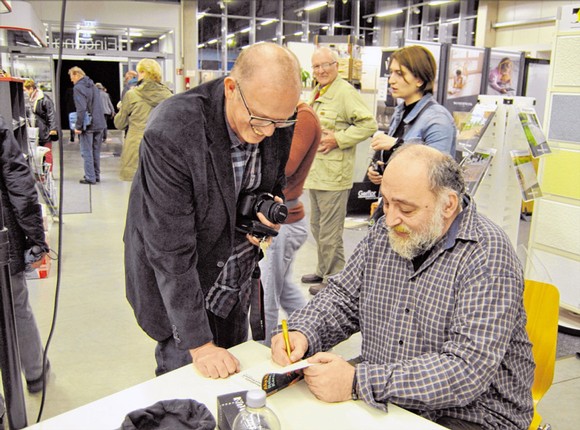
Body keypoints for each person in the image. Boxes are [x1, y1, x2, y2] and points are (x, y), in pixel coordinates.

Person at [271, 144, 535, 430]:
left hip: (473, 414)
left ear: (448, 205)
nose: (391, 218)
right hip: (390, 395)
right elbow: (343, 299)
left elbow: (466, 370)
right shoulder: (385, 233)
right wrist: (304, 332)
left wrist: (358, 381)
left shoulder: (487, 255)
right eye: (385, 202)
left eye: (405, 208)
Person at [124, 42, 302, 379]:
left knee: (233, 382)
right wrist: (200, 344)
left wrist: (264, 210)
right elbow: (170, 249)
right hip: (182, 286)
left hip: (234, 279)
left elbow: (272, 181)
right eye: (259, 119)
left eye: (278, 123)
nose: (267, 132)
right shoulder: (173, 131)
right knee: (188, 390)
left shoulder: (277, 116)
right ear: (232, 88)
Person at [301, 46, 378, 295]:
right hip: (317, 173)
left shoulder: (344, 92)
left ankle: (334, 278)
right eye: (316, 66)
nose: (321, 70)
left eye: (326, 65)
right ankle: (325, 270)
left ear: (336, 66)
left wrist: (339, 139)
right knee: (318, 227)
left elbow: (369, 124)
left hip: (334, 176)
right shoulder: (319, 91)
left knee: (330, 231)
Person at [366, 45, 457, 223]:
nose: (391, 80)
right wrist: (380, 171)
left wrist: (397, 145)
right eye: (391, 73)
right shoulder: (400, 112)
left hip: (418, 216)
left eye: (399, 74)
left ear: (420, 79)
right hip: (394, 207)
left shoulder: (438, 119)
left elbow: (439, 172)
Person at [0, 115, 51, 422]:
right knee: (17, 307)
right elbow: (18, 181)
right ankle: (34, 372)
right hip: (2, 238)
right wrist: (34, 236)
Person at [259, 102, 321, 346]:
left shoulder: (303, 117)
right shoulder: (291, 115)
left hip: (284, 223)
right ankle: (311, 332)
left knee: (267, 296)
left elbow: (287, 166)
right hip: (284, 220)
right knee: (283, 288)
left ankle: (263, 351)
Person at [114, 59, 172, 181]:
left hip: (136, 146)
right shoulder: (169, 97)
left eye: (139, 72)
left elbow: (119, 124)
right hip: (160, 147)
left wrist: (122, 109)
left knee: (137, 188)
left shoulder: (131, 95)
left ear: (144, 73)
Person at [68, 66, 107, 185]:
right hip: (100, 123)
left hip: (89, 125)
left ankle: (90, 177)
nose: (71, 80)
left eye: (71, 77)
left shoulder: (78, 87)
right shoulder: (93, 86)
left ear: (76, 74)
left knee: (87, 152)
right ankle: (96, 175)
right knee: (96, 151)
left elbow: (81, 109)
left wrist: (78, 127)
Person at [23, 79, 58, 170]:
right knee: (39, 154)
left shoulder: (44, 99)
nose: (25, 92)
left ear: (30, 88)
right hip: (36, 131)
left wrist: (53, 129)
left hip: (45, 131)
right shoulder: (32, 99)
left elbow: (52, 114)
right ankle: (42, 173)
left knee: (47, 152)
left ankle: (48, 174)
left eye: (25, 90)